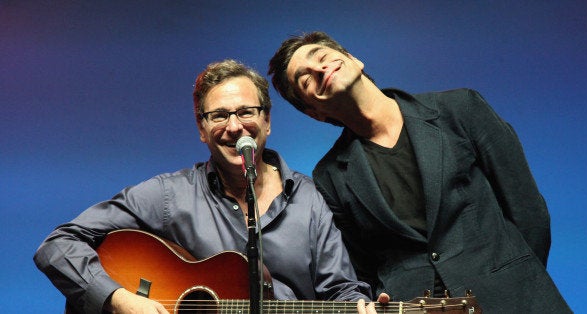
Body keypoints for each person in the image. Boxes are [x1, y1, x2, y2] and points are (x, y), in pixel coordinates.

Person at [34, 59, 380, 313]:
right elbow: (58, 245)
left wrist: (361, 307)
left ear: (267, 121)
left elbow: (340, 290)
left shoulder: (310, 199)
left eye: (246, 111)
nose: (234, 126)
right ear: (202, 129)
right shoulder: (170, 196)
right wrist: (118, 299)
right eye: (218, 115)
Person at [268, 31, 572, 313]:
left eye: (322, 57)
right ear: (314, 112)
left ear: (355, 60)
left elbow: (528, 211)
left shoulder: (460, 109)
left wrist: (516, 281)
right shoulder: (329, 176)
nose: (320, 70)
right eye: (305, 79)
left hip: (515, 298)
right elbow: (361, 269)